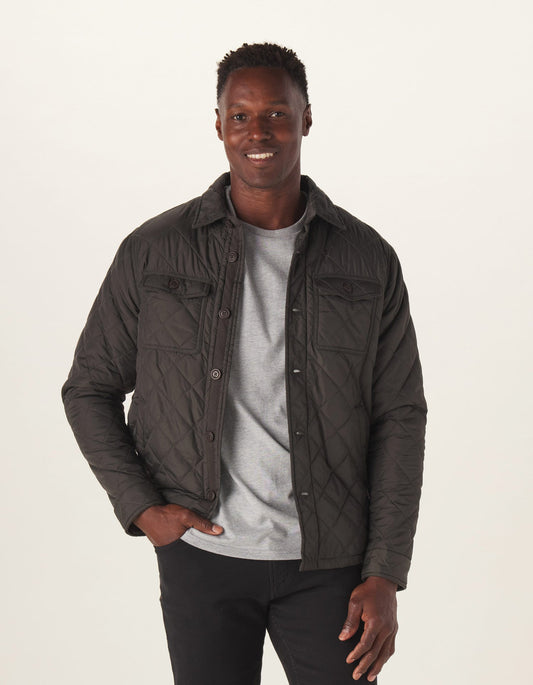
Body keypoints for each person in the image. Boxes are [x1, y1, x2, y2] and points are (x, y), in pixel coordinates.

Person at [62, 42, 427, 684]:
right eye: (240, 116)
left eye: (277, 114)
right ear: (218, 125)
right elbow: (89, 388)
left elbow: (400, 416)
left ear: (306, 118)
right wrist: (143, 508)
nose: (258, 132)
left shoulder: (367, 259)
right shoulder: (154, 251)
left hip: (332, 565)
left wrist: (385, 571)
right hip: (201, 556)